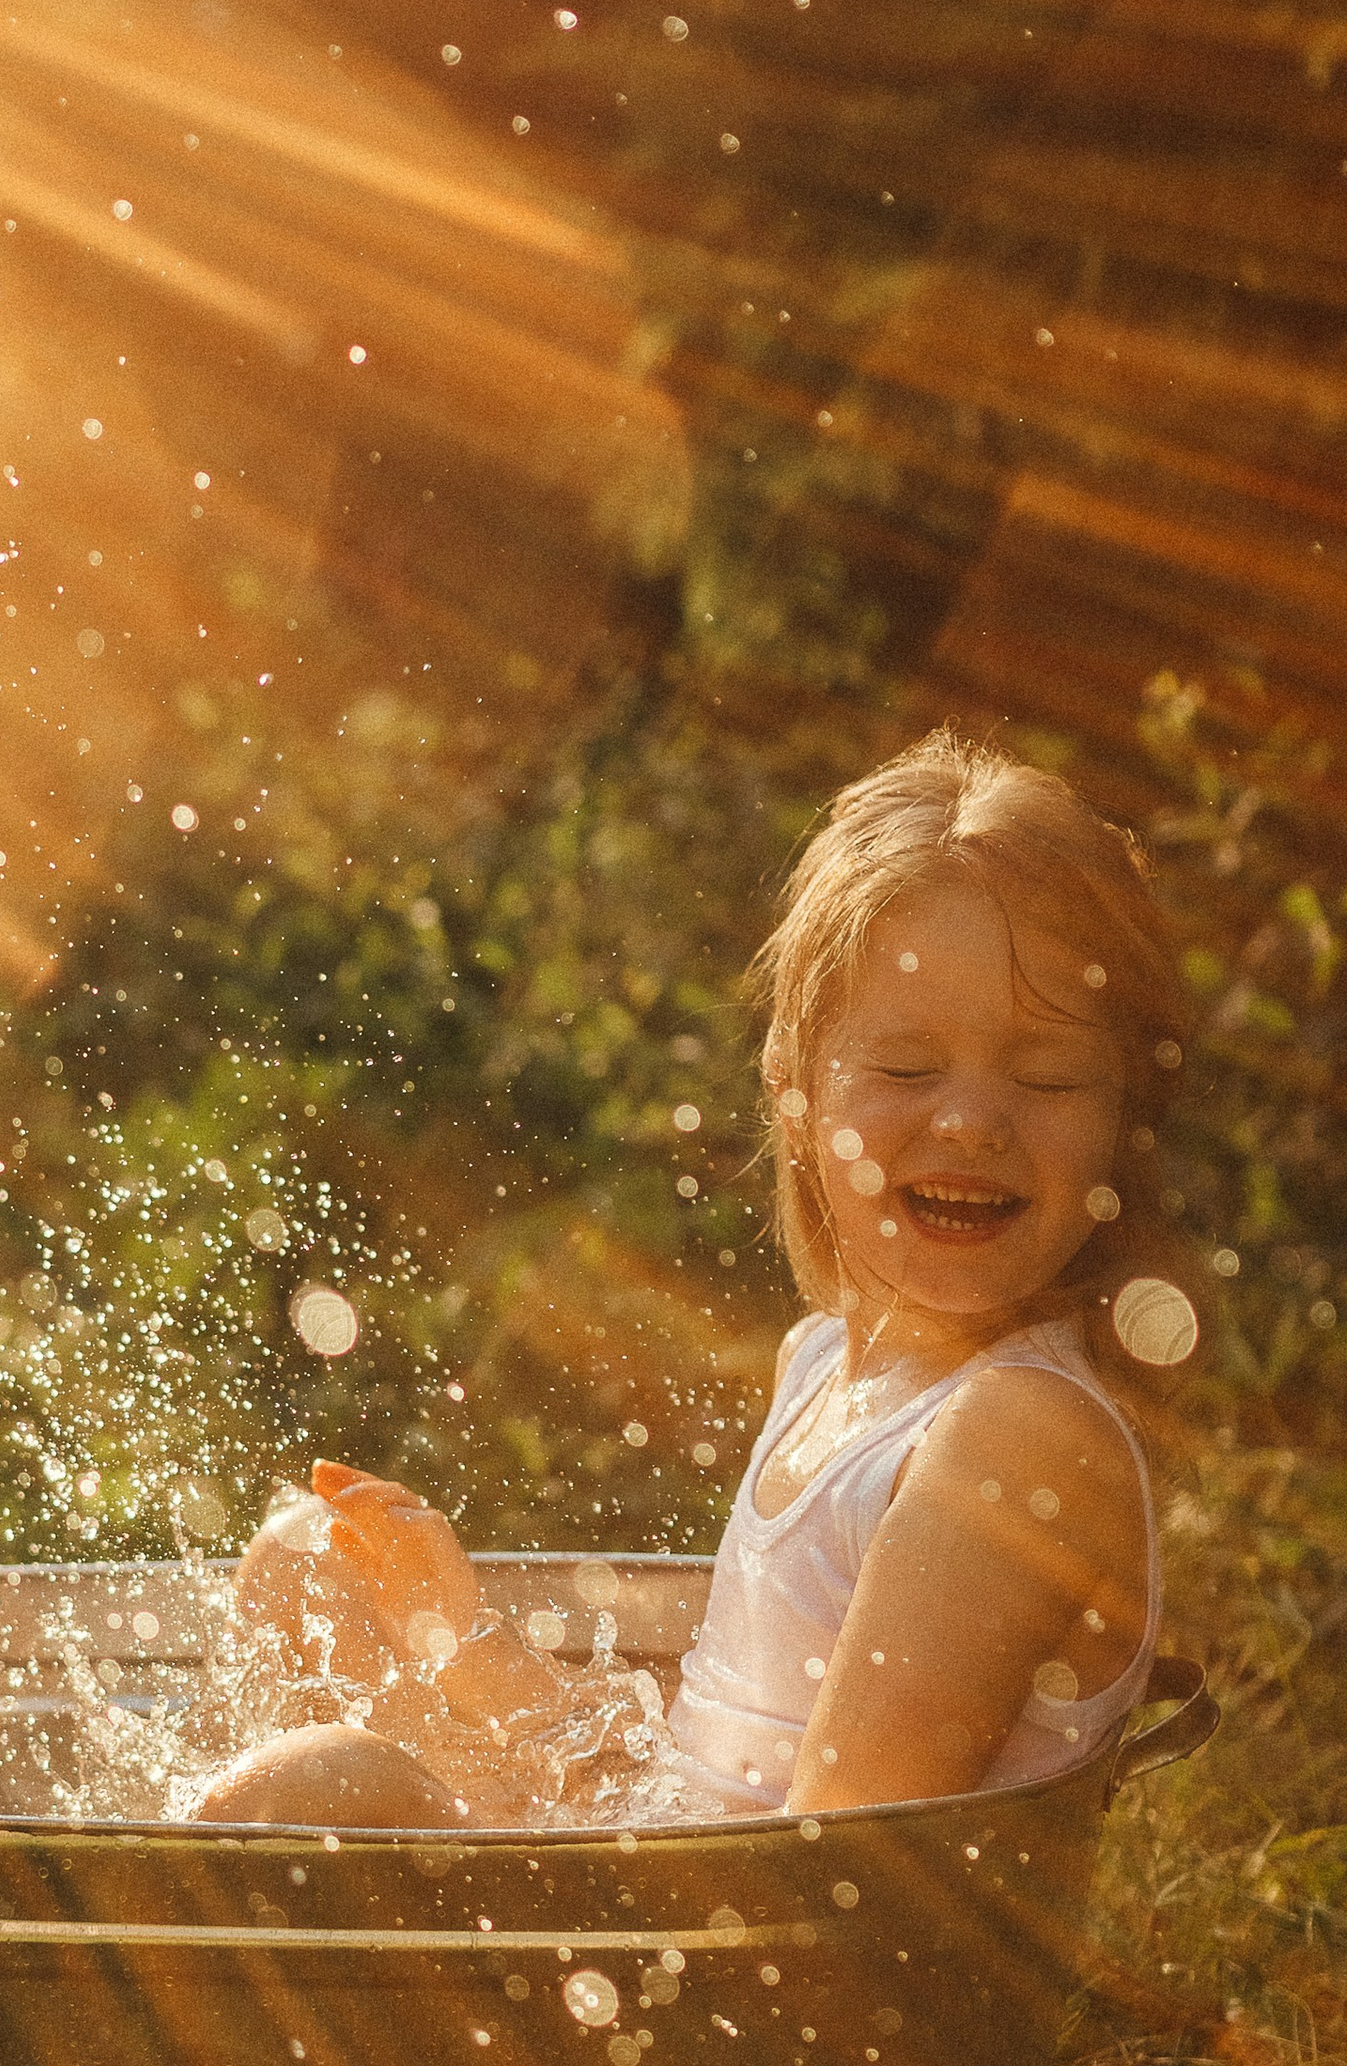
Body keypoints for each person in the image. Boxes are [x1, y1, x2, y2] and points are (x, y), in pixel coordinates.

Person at [201, 733, 1189, 1830]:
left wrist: (444, 1803)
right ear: (795, 1089)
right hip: (684, 1921)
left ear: (1121, 1120)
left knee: (324, 1785)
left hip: (772, 1982)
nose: (967, 1119)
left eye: (1046, 1073)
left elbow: (822, 1871)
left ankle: (168, 1976)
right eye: (905, 1067)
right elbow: (692, 1791)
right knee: (308, 1571)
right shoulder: (823, 1360)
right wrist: (461, 1638)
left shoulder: (1017, 1434)